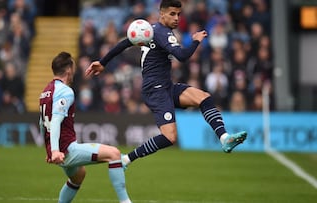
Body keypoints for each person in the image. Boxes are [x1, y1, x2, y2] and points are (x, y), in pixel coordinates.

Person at [85, 0, 247, 169]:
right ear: (161, 13)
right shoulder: (163, 33)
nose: (176, 18)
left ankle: (224, 138)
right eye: (172, 14)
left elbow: (125, 43)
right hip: (155, 90)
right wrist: (196, 41)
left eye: (178, 14)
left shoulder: (150, 31)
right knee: (170, 137)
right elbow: (182, 56)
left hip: (166, 86)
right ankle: (126, 159)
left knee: (204, 98)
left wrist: (103, 62)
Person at [39, 52, 132, 203]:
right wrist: (55, 150)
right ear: (69, 70)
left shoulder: (46, 92)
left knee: (78, 175)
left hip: (58, 151)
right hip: (66, 150)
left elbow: (42, 122)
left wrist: (49, 148)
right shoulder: (65, 91)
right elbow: (55, 120)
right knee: (114, 154)